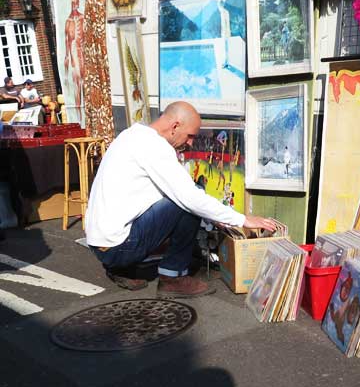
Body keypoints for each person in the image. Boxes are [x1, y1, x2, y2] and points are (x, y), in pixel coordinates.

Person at [85, 101, 277, 297]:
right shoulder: (154, 147)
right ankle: (173, 276)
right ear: (175, 126)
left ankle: (120, 268)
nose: (191, 143)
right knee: (189, 201)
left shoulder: (131, 135)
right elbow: (190, 197)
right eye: (190, 136)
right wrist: (242, 219)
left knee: (185, 197)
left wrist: (214, 216)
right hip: (119, 248)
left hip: (100, 244)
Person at [64, 0, 84, 122]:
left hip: (84, 55)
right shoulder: (68, 22)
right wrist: (65, 74)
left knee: (87, 84)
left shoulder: (83, 18)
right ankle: (79, 120)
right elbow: (66, 47)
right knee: (77, 85)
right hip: (74, 57)